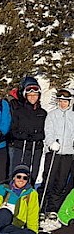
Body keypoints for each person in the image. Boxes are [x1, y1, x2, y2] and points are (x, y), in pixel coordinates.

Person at [39, 88, 74, 220]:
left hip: (68, 153)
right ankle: (42, 206)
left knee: (61, 181)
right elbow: (48, 131)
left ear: (70, 102)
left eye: (65, 101)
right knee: (49, 179)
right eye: (60, 101)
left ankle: (53, 208)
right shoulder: (52, 115)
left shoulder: (73, 116)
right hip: (54, 151)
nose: (63, 104)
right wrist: (51, 143)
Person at [8, 77, 46, 182]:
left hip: (35, 148)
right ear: (25, 95)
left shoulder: (42, 113)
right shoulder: (17, 110)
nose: (32, 97)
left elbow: (45, 131)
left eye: (35, 95)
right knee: (17, 175)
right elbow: (12, 129)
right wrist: (22, 135)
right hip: (20, 147)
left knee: (32, 174)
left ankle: (30, 194)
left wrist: (39, 136)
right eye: (30, 95)